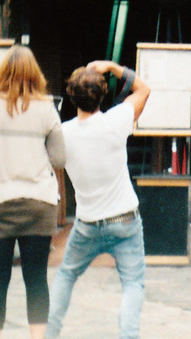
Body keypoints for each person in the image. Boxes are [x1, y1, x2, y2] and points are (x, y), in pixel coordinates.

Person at [0, 45, 65, 339]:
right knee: (36, 280)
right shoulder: (47, 109)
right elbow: (59, 159)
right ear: (35, 74)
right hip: (38, 204)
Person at [45, 59, 151, 339]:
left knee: (66, 275)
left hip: (87, 222)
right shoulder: (116, 121)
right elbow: (144, 89)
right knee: (132, 285)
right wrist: (114, 68)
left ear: (72, 97)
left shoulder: (63, 133)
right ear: (102, 94)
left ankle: (49, 333)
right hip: (125, 218)